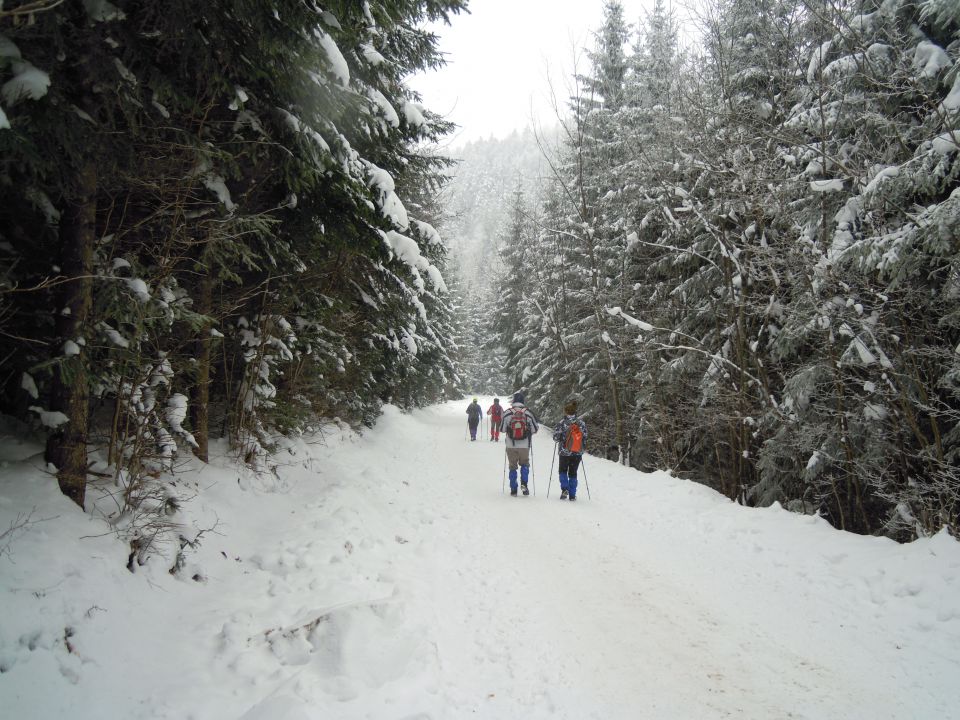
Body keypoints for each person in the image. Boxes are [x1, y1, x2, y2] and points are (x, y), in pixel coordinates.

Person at [500, 392, 538, 496]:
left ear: (513, 401)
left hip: (510, 445)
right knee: (525, 464)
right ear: (523, 401)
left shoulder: (508, 412)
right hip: (525, 445)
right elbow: (535, 429)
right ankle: (524, 484)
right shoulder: (528, 413)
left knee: (512, 466)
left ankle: (513, 488)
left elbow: (502, 429)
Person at [552, 400, 587, 501]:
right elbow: (585, 437)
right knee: (573, 473)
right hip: (577, 453)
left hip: (564, 452)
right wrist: (581, 448)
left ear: (566, 412)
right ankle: (572, 495)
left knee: (562, 471)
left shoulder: (562, 423)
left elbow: (555, 438)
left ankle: (564, 489)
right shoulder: (581, 423)